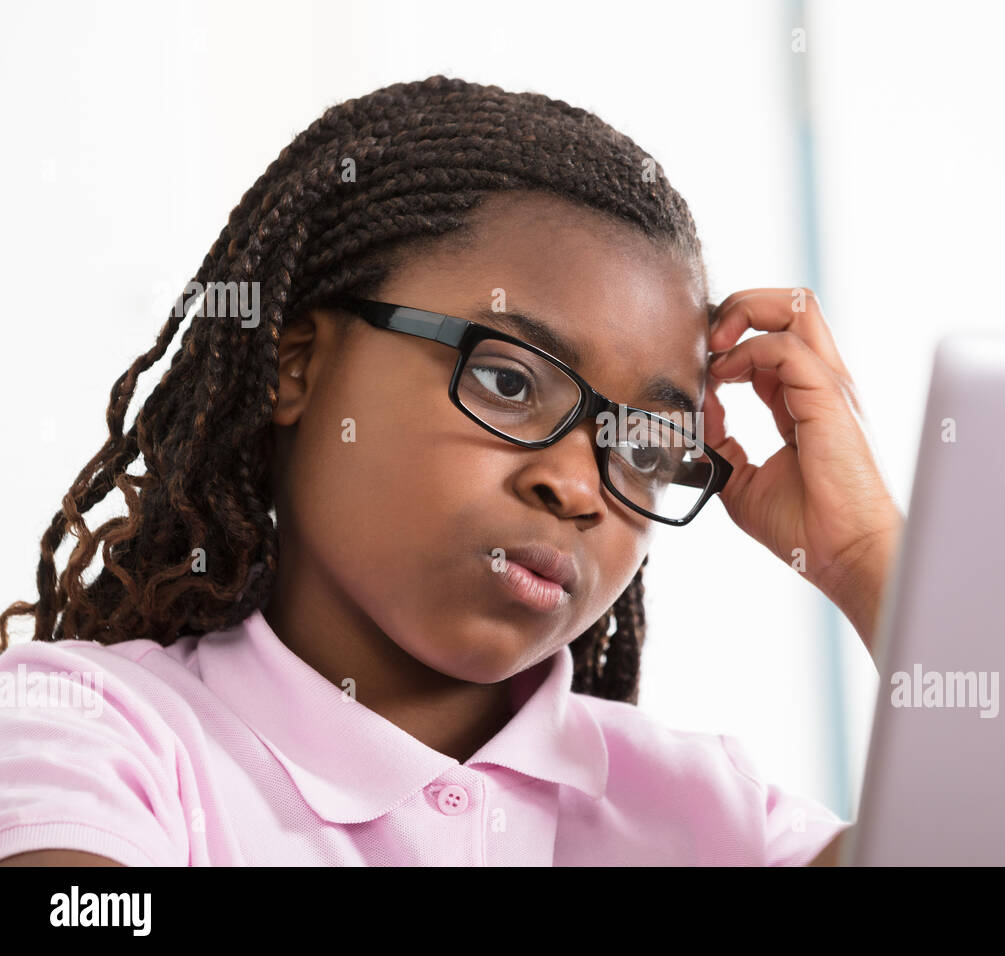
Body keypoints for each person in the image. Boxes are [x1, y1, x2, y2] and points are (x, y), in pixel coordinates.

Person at [0, 75, 902, 866]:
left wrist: (873, 560)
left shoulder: (715, 814)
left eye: (643, 447)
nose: (579, 488)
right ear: (298, 365)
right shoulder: (95, 735)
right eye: (510, 380)